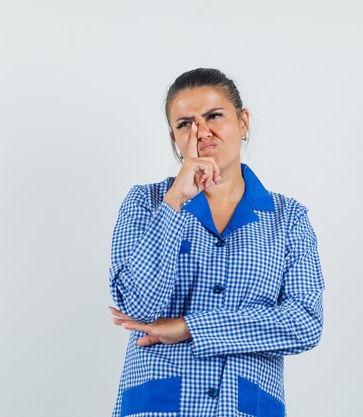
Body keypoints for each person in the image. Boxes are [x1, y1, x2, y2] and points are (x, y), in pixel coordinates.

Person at [108, 68, 324, 417]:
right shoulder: (145, 204)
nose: (201, 132)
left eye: (214, 116)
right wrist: (176, 199)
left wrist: (191, 327)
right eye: (184, 124)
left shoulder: (288, 218)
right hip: (159, 407)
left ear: (242, 122)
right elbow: (139, 308)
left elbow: (303, 323)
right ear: (174, 138)